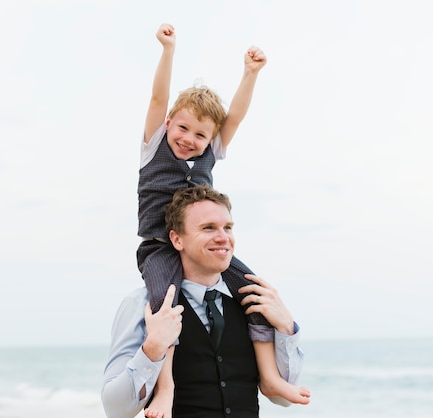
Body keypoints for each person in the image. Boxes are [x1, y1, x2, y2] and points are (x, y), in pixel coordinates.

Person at [135, 23, 309, 418]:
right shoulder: (153, 147)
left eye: (200, 134)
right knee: (166, 305)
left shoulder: (212, 151)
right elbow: (159, 95)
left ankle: (270, 376)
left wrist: (251, 74)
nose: (189, 138)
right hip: (161, 248)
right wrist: (168, 50)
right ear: (167, 124)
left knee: (255, 294)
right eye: (182, 127)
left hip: (201, 246)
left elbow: (236, 117)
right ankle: (166, 388)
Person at [102, 185, 310, 418]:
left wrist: (286, 326)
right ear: (177, 239)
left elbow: (281, 398)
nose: (223, 238)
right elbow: (116, 410)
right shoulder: (141, 304)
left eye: (228, 227)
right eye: (208, 228)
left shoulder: (254, 303)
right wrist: (152, 348)